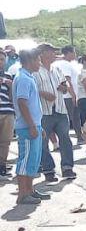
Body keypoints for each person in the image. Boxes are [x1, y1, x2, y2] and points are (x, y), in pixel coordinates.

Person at [34, 43, 76, 182]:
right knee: (43, 142)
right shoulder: (35, 70)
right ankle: (48, 169)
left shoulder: (57, 69)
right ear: (43, 53)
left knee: (65, 139)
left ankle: (67, 168)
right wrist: (43, 93)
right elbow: (31, 89)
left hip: (60, 109)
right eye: (52, 52)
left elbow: (65, 85)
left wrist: (64, 87)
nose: (55, 54)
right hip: (44, 112)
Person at [13, 49, 46, 205]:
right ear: (30, 60)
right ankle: (22, 194)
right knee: (25, 160)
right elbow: (22, 102)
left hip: (34, 125)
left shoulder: (29, 77)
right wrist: (32, 125)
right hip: (27, 127)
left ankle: (30, 190)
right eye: (38, 60)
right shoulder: (23, 79)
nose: (39, 63)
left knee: (33, 160)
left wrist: (38, 126)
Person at [54, 45, 82, 143]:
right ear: (68, 53)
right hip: (68, 96)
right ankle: (64, 139)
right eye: (73, 52)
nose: (75, 55)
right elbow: (67, 79)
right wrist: (73, 94)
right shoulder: (64, 64)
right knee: (68, 118)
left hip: (70, 95)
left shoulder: (68, 64)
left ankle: (80, 136)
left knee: (75, 117)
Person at [0, 69, 14, 178]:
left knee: (5, 142)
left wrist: (10, 86)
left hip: (7, 111)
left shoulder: (8, 75)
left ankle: (2, 167)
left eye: (2, 59)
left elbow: (12, 97)